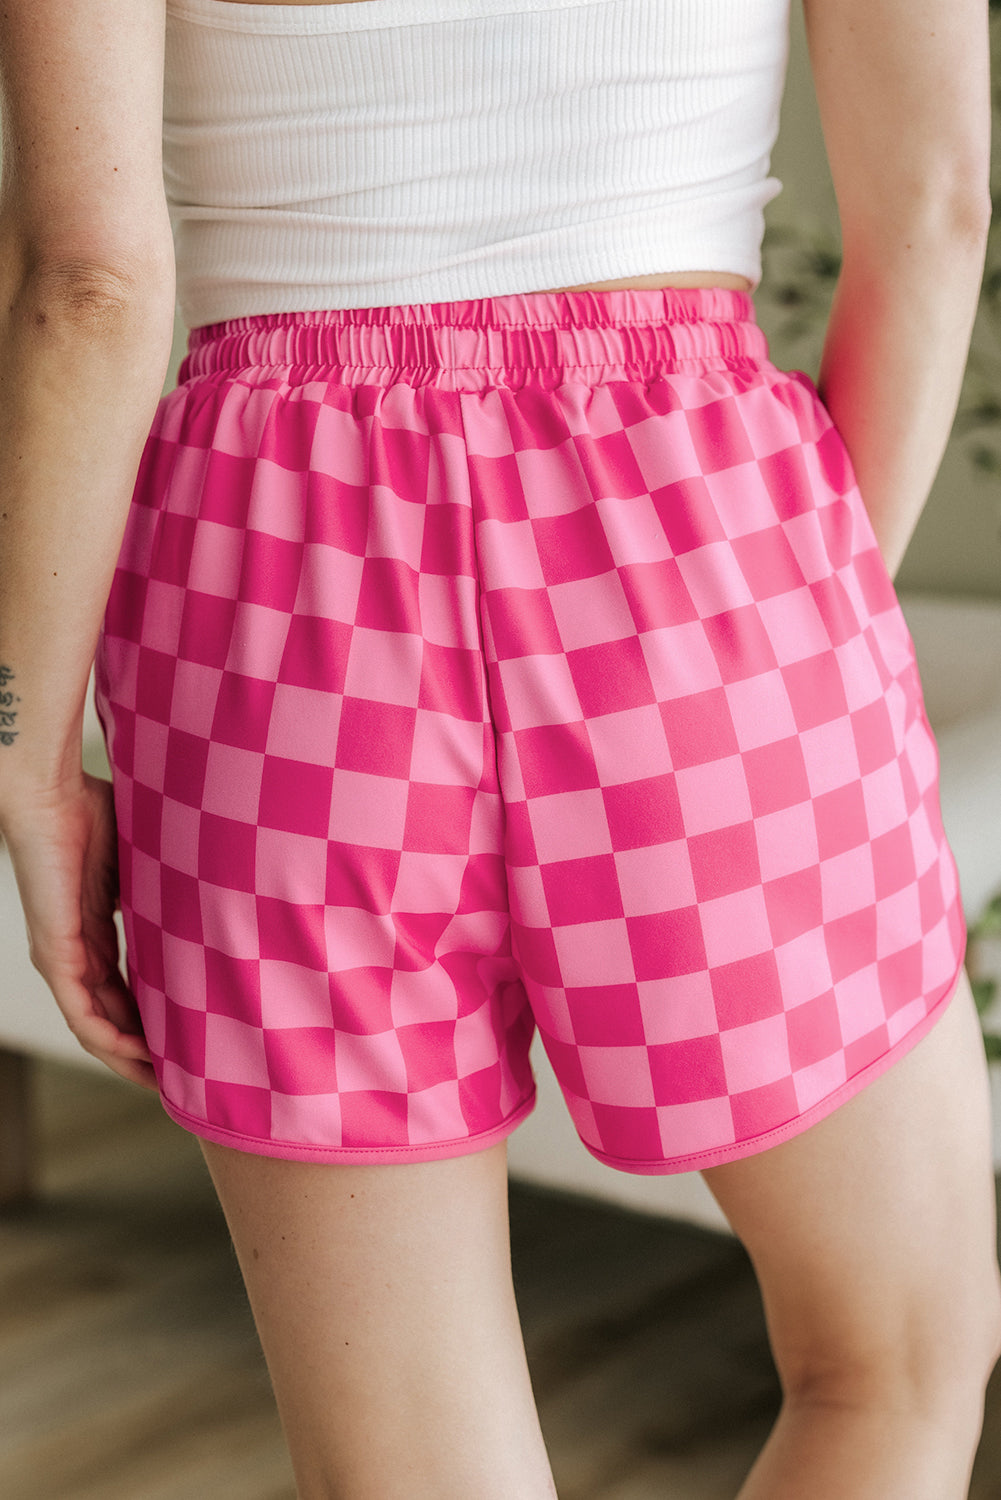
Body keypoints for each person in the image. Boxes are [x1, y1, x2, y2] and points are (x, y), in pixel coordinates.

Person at [0, 0, 998, 1495]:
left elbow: (87, 282)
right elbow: (933, 202)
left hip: (276, 587)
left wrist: (23, 757)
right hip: (694, 525)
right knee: (895, 1362)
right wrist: (794, 621)